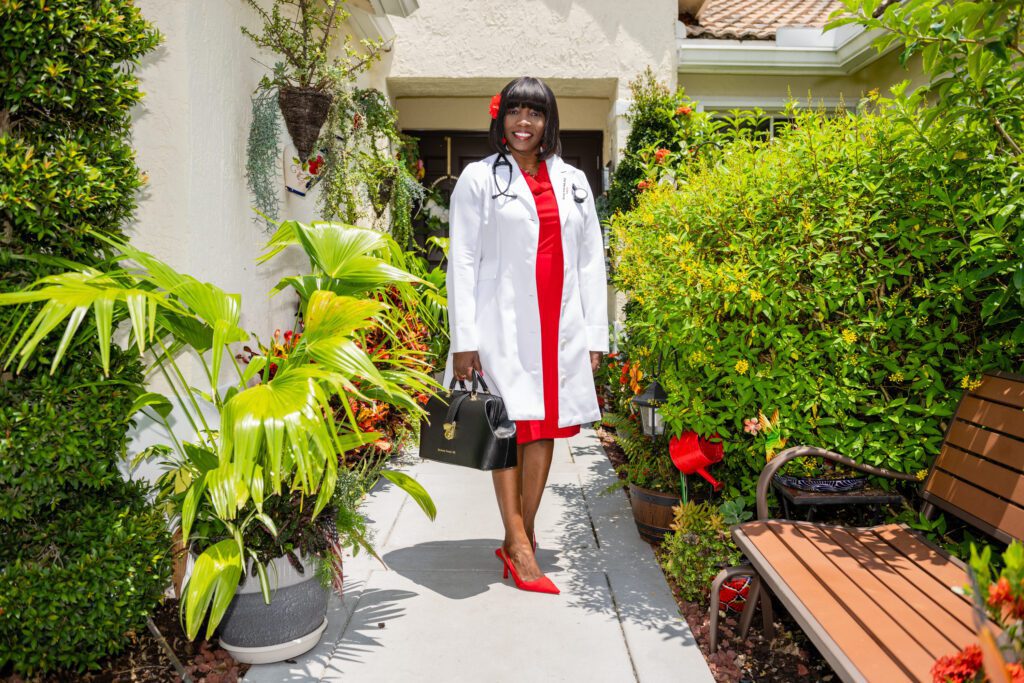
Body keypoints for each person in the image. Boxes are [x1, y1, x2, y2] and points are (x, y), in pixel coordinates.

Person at [442, 76, 609, 595]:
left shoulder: (574, 181)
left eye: (534, 113)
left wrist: (596, 336)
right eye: (514, 110)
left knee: (544, 429)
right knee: (508, 428)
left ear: (547, 122)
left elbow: (590, 261)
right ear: (502, 119)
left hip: (559, 327)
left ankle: (524, 530)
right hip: (502, 324)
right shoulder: (477, 177)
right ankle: (517, 541)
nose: (523, 121)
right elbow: (463, 260)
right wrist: (464, 338)